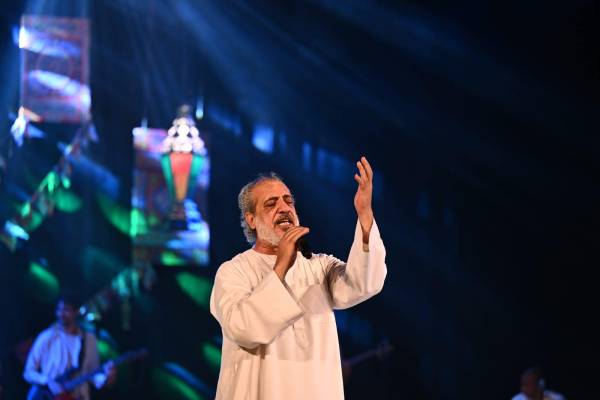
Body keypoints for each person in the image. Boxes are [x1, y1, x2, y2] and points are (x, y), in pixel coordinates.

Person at [209, 156, 387, 399]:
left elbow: (364, 283)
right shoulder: (233, 271)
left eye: (288, 201)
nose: (284, 208)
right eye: (271, 204)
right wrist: (282, 264)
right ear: (251, 220)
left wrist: (365, 215)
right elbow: (243, 329)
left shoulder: (319, 266)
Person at [23, 294, 116, 400]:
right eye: (59, 309)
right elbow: (28, 372)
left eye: (66, 310)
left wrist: (107, 378)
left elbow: (92, 373)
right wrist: (48, 381)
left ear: (76, 311)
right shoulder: (47, 337)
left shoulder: (88, 339)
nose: (61, 314)